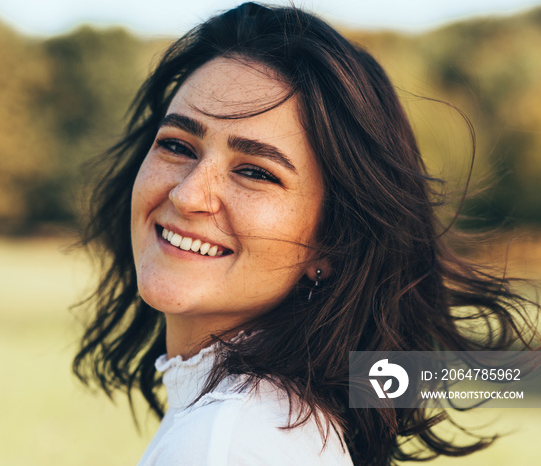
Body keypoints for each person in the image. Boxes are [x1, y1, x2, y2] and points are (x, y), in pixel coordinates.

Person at [73, 3, 538, 465]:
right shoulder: (263, 423)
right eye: (176, 145)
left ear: (330, 243)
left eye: (255, 172)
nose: (188, 194)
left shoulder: (228, 441)